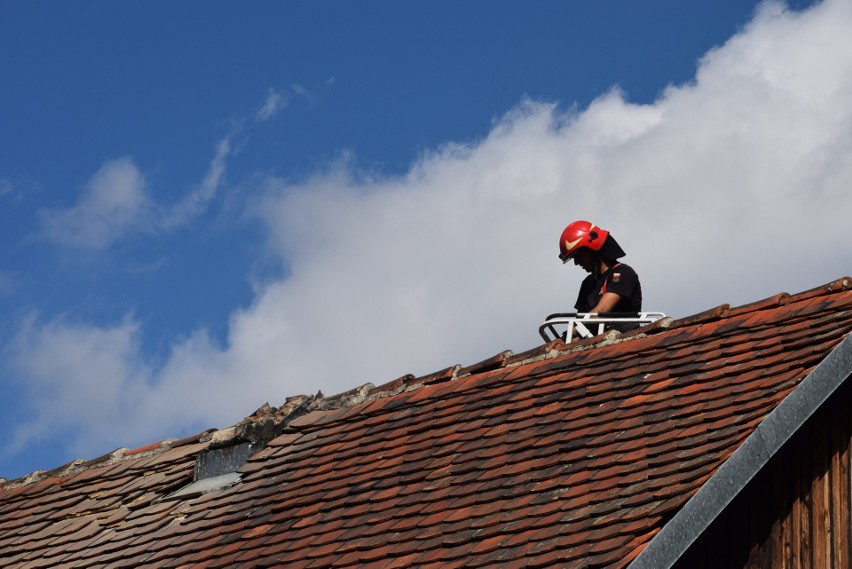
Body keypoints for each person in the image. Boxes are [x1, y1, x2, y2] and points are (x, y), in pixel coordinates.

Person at [558, 220, 642, 332]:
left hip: (624, 338)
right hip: (597, 341)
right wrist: (564, 340)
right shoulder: (587, 283)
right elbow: (580, 321)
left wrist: (575, 331)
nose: (576, 263)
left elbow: (602, 310)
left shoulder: (622, 273)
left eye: (578, 256)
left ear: (592, 250)